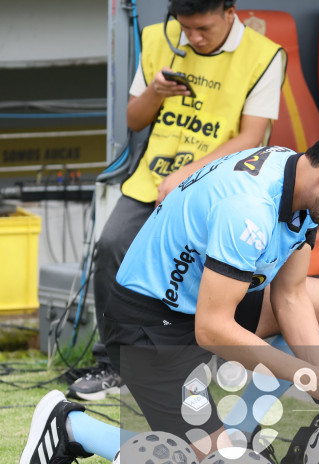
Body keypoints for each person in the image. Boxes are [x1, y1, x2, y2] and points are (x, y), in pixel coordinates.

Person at [19, 124, 319, 464]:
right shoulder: (250, 207)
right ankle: (72, 426)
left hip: (208, 302)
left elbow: (290, 295)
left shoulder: (300, 179)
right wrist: (308, 376)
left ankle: (238, 433)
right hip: (149, 325)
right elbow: (213, 329)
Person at [68, 0, 286, 400]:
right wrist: (155, 91)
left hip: (221, 184)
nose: (194, 39)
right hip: (153, 179)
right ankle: (114, 364)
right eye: (186, 29)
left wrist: (187, 176)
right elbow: (135, 120)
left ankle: (207, 357)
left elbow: (250, 138)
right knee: (113, 245)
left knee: (221, 264)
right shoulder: (158, 39)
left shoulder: (264, 55)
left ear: (229, 12)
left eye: (203, 29)